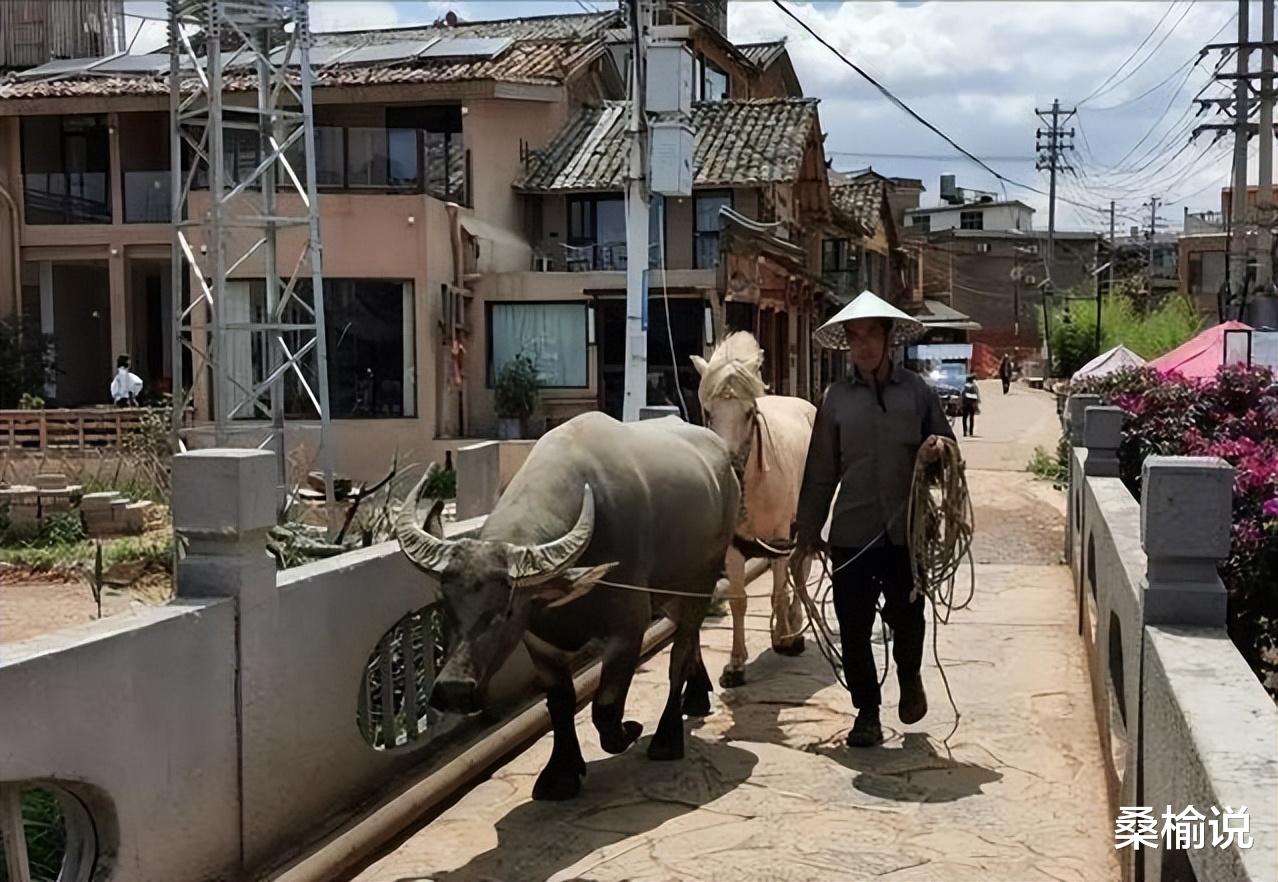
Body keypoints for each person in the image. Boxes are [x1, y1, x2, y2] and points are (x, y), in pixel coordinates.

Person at [795, 290, 955, 748]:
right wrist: (807, 532)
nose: (863, 345)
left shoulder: (918, 393)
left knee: (908, 620)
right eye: (854, 337)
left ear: (889, 340)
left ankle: (910, 679)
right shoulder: (836, 400)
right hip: (852, 530)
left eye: (871, 335)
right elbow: (821, 471)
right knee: (854, 626)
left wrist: (937, 450)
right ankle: (866, 712)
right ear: (847, 343)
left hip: (907, 532)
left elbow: (947, 455)